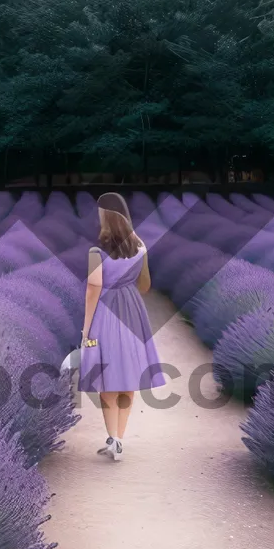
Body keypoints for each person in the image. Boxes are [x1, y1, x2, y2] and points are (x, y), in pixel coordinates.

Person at [79, 192, 166, 461]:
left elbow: (93, 289)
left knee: (106, 378)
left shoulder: (96, 252)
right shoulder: (140, 247)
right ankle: (119, 439)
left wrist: (86, 329)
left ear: (103, 216)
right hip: (132, 310)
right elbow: (145, 286)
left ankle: (112, 438)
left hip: (106, 312)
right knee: (129, 377)